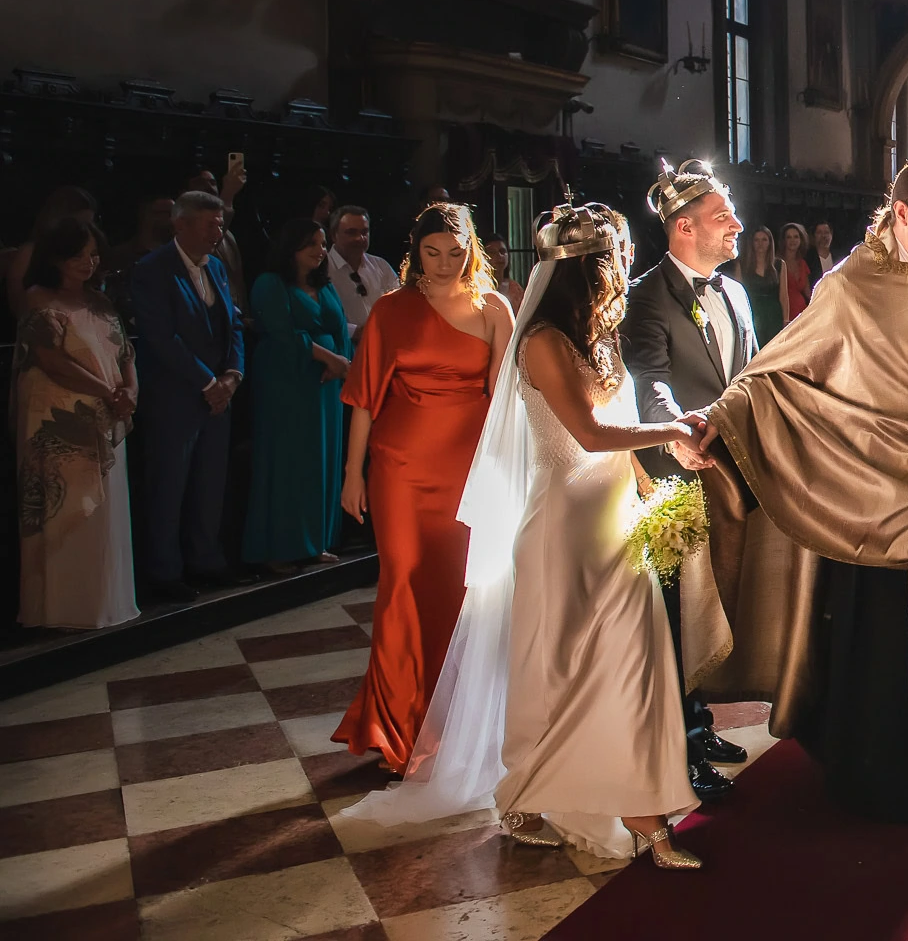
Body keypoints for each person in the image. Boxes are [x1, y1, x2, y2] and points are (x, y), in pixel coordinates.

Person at [340, 203, 721, 870]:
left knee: (634, 665)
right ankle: (523, 796)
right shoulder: (542, 340)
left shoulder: (598, 336)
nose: (625, 269)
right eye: (617, 259)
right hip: (561, 529)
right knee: (555, 669)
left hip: (613, 523)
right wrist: (673, 432)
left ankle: (643, 807)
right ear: (587, 270)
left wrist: (650, 482)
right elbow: (588, 433)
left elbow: (618, 422)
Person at [678, 159, 908, 822]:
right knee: (867, 639)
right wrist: (719, 418)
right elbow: (779, 373)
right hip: (856, 499)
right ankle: (864, 773)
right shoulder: (843, 288)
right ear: (901, 211)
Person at [333, 203, 512, 771]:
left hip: (467, 471)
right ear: (416, 253)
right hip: (399, 469)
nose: (444, 265)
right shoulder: (391, 311)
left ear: (471, 251)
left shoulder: (493, 309)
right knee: (401, 585)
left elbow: (505, 402)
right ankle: (394, 729)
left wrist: (507, 473)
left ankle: (452, 722)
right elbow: (363, 398)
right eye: (432, 253)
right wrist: (350, 474)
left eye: (455, 254)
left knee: (458, 592)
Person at [620, 159, 759, 805]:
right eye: (721, 216)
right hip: (675, 480)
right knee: (673, 619)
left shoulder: (733, 292)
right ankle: (675, 749)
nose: (737, 224)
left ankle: (700, 727)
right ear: (682, 228)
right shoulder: (646, 296)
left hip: (729, 475)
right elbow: (647, 381)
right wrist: (674, 429)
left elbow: (752, 377)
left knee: (710, 610)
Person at [14, 218, 139, 629]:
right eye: (79, 255)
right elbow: (51, 359)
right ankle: (62, 611)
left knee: (105, 517)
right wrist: (108, 391)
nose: (89, 262)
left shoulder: (101, 300)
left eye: (93, 254)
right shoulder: (38, 298)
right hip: (57, 421)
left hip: (105, 418)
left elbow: (126, 354)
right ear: (56, 257)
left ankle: (106, 604)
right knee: (67, 512)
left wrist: (129, 391)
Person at [129, 191, 244, 604]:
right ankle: (165, 571)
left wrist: (232, 375)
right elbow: (161, 337)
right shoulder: (153, 269)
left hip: (218, 396)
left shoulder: (216, 266)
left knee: (210, 484)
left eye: (219, 223)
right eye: (210, 223)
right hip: (175, 397)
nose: (218, 230)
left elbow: (233, 324)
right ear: (181, 224)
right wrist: (206, 382)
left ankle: (206, 561)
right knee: (169, 486)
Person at [242, 218, 351, 574]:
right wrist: (330, 358)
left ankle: (313, 541)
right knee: (287, 461)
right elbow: (281, 333)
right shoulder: (270, 284)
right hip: (287, 381)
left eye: (322, 245)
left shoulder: (326, 285)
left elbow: (339, 328)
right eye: (312, 245)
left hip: (325, 385)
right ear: (291, 247)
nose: (320, 252)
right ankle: (277, 547)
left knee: (321, 461)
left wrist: (342, 364)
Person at [6, 185, 99, 319]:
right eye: (79, 224)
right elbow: (18, 307)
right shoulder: (29, 252)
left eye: (89, 224)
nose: (85, 232)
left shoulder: (90, 258)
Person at [330, 206, 401, 337]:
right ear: (334, 235)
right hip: (342, 348)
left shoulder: (380, 265)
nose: (359, 238)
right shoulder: (323, 269)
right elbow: (319, 316)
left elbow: (400, 304)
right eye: (351, 232)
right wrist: (355, 332)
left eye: (364, 232)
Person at [186, 163, 249, 310]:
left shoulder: (228, 234)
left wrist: (244, 312)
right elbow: (200, 250)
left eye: (213, 182)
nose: (209, 187)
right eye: (201, 183)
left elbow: (237, 281)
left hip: (233, 318)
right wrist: (228, 195)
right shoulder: (185, 230)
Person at [736, 226, 784, 344]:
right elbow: (737, 293)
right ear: (751, 243)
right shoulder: (742, 264)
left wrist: (786, 319)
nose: (760, 244)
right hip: (752, 311)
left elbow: (784, 295)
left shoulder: (779, 264)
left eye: (764, 240)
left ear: (770, 242)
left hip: (773, 313)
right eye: (756, 240)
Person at [483, 234, 526, 313]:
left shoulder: (515, 288)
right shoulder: (478, 288)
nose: (499, 256)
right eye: (492, 252)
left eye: (502, 251)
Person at [780, 222, 813, 322]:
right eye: (789, 237)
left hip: (801, 313)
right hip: (783, 312)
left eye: (796, 237)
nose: (792, 240)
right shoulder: (777, 262)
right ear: (784, 240)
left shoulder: (802, 263)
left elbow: (808, 292)